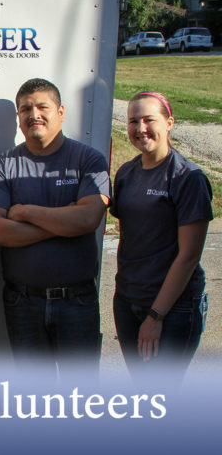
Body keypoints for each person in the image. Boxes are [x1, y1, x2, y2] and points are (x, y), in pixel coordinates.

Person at [0, 78, 110, 378]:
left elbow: (89, 219)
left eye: (42, 106)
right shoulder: (3, 167)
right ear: (18, 118)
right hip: (23, 302)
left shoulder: (87, 160)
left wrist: (26, 212)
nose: (33, 114)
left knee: (80, 398)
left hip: (77, 301)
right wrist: (66, 222)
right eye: (25, 108)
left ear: (61, 112)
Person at [110, 91, 213, 382]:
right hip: (128, 299)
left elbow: (189, 256)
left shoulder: (188, 178)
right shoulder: (127, 173)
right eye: (132, 121)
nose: (140, 129)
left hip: (173, 307)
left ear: (169, 123)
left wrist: (155, 316)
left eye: (148, 120)